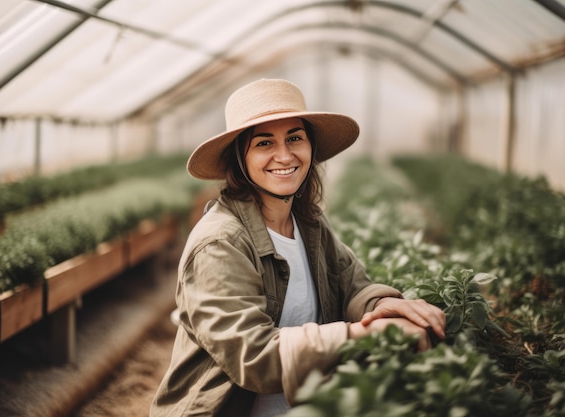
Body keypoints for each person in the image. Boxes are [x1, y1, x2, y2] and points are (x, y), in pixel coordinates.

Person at [150, 78, 446, 417]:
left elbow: (352, 285)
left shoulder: (310, 224)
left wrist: (386, 305)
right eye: (264, 143)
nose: (284, 155)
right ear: (240, 158)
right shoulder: (220, 243)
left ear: (310, 146)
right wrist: (359, 335)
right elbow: (253, 356)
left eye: (295, 138)